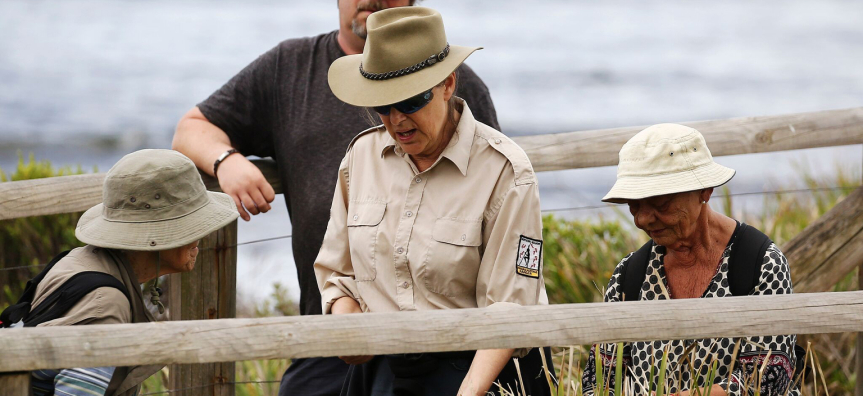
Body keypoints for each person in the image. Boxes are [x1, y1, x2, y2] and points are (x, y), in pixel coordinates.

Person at [171, 1, 500, 393]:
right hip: (330, 337)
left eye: (411, 102)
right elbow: (191, 128)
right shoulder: (288, 68)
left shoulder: (458, 84)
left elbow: (497, 207)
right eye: (381, 106)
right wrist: (227, 161)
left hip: (441, 346)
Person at [315, 7, 551, 396]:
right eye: (382, 107)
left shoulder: (505, 171)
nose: (396, 120)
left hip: (477, 371)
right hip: (380, 373)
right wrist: (351, 335)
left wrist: (468, 393)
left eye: (410, 101)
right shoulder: (360, 158)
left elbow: (512, 305)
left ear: (447, 83)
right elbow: (337, 273)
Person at [581, 124, 799, 396]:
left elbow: (767, 381)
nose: (642, 219)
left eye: (660, 203)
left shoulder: (760, 263)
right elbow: (598, 381)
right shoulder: (629, 275)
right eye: (634, 205)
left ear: (704, 191)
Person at [7, 149, 238, 396]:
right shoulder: (106, 308)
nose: (201, 236)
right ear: (155, 236)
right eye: (190, 224)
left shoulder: (78, 260)